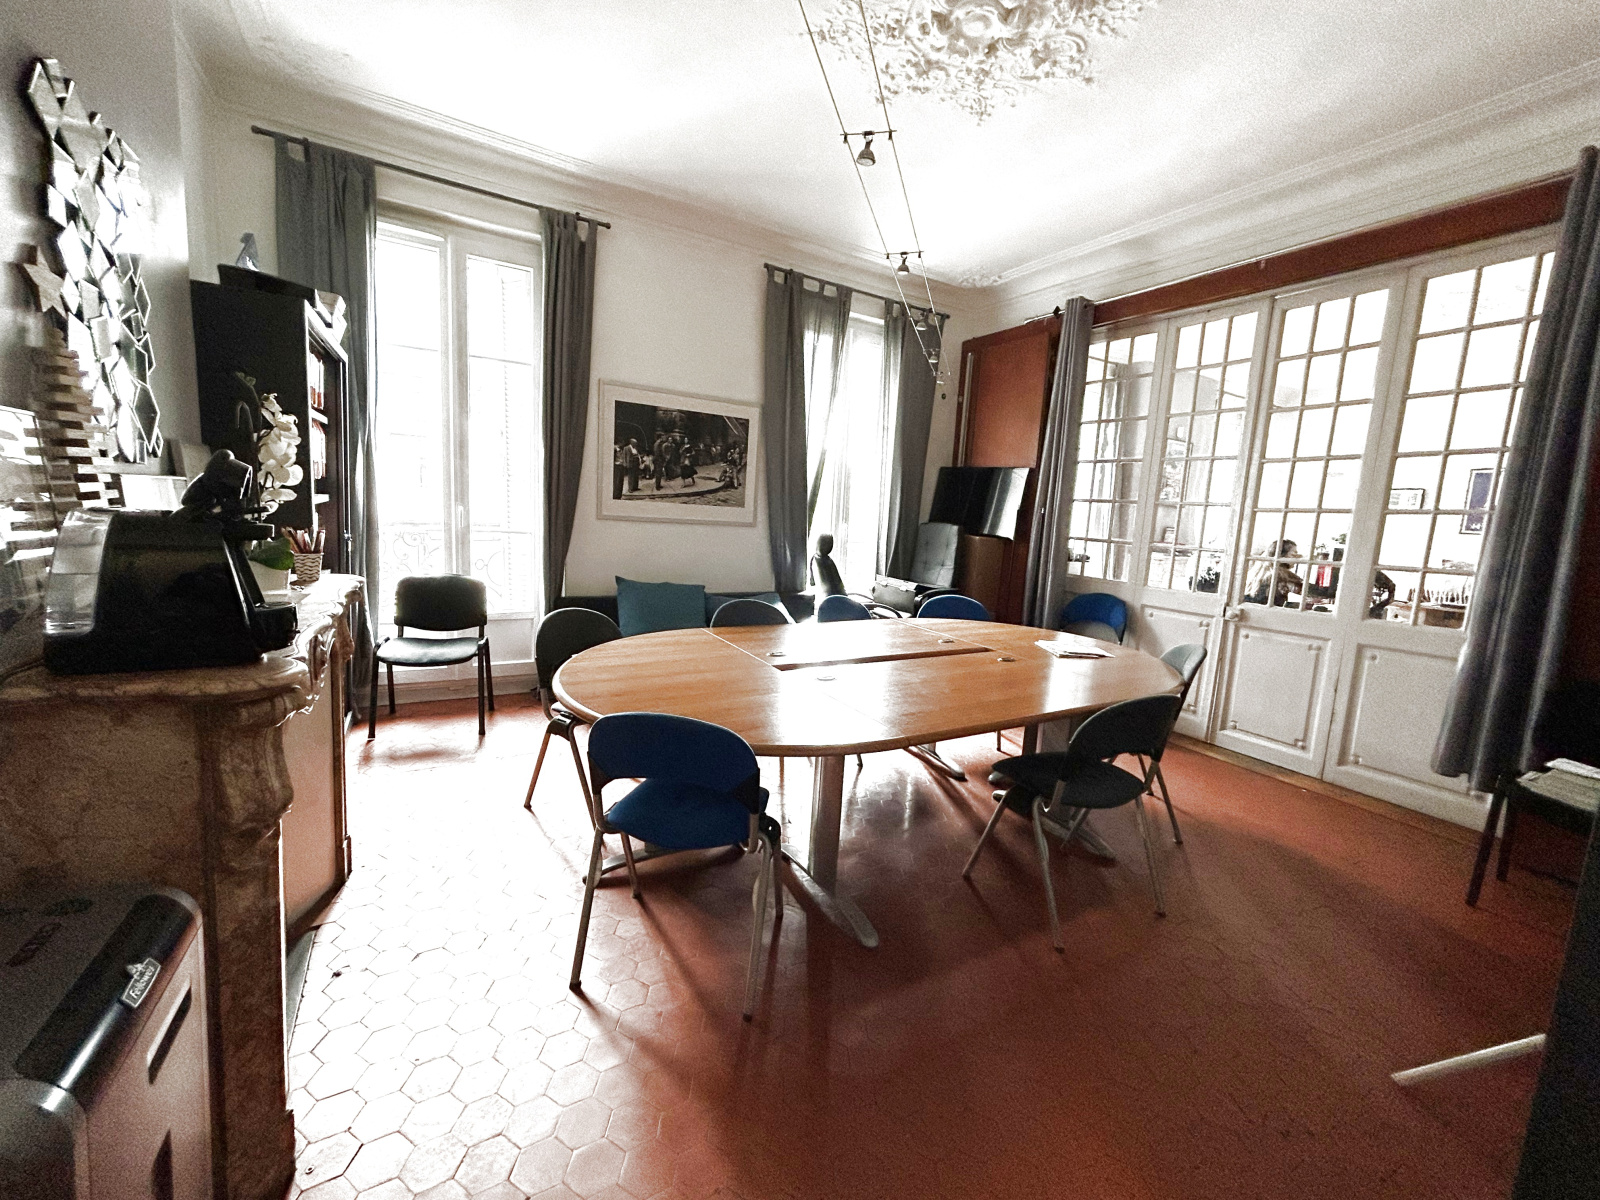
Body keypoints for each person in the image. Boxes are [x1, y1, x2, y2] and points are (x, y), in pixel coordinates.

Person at [1243, 540, 1305, 607]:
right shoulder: (1281, 573)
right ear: (1282, 556)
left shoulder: (1258, 570)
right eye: (1293, 555)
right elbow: (1307, 590)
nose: (1296, 559)